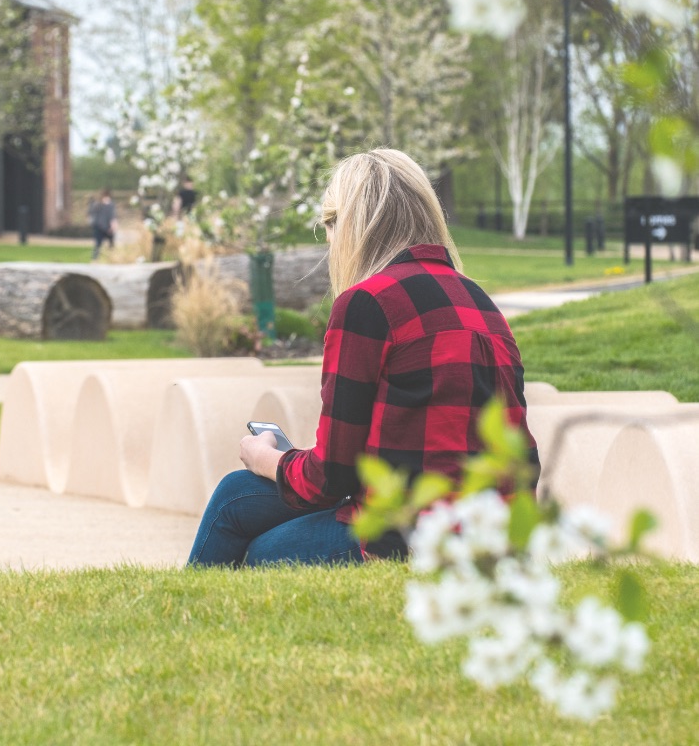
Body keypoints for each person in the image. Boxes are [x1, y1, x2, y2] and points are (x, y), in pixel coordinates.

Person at [187, 148, 537, 568]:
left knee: (257, 546)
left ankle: (185, 617)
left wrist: (268, 458)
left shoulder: (368, 304)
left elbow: (331, 478)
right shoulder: (480, 302)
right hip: (496, 529)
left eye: (329, 226)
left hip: (410, 533)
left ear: (348, 225)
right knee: (236, 495)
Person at [89, 187, 117, 260]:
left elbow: (91, 215)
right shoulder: (108, 205)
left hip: (99, 226)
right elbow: (112, 217)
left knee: (99, 244)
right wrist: (112, 226)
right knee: (106, 244)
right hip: (104, 227)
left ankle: (96, 258)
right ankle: (110, 257)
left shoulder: (97, 204)